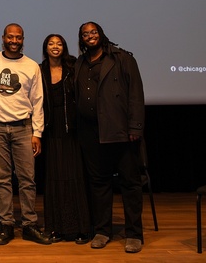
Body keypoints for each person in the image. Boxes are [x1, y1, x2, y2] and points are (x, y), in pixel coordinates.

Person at [74, 21, 145, 253]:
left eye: (93, 32)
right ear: (81, 39)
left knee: (130, 183)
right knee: (98, 183)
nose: (90, 36)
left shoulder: (122, 58)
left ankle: (134, 234)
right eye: (85, 34)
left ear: (101, 34)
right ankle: (103, 231)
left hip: (120, 132)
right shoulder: (80, 63)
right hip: (90, 133)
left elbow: (135, 93)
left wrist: (135, 128)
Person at [0, 23, 52, 245]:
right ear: (3, 38)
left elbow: (38, 100)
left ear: (23, 39)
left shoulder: (31, 66)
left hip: (23, 128)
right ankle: (7, 225)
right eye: (10, 37)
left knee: (27, 180)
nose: (14, 40)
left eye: (18, 37)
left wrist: (37, 133)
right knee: (2, 180)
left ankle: (29, 225)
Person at [39, 33, 90, 244]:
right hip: (50, 130)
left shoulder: (73, 66)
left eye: (59, 43)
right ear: (45, 48)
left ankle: (81, 229)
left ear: (65, 47)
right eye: (51, 44)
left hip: (72, 130)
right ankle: (56, 228)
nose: (55, 47)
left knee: (74, 177)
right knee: (54, 179)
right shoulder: (39, 70)